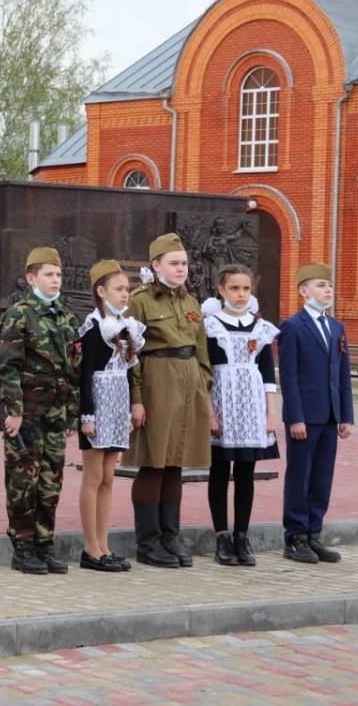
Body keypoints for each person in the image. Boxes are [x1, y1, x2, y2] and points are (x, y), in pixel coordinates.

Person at [125, 233, 212, 568]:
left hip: (188, 381)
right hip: (157, 380)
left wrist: (202, 382)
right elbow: (130, 351)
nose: (181, 269)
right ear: (156, 265)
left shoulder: (191, 302)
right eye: (174, 263)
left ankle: (170, 536)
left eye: (184, 263)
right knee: (153, 463)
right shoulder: (141, 300)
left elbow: (201, 347)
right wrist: (138, 398)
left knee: (177, 463)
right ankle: (148, 542)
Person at [0, 247, 80, 575]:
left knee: (50, 480)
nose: (55, 280)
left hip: (56, 414)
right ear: (32, 278)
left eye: (58, 275)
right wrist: (14, 410)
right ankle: (23, 545)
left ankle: (45, 543)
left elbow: (73, 368)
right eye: (48, 274)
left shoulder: (66, 315)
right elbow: (7, 368)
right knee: (23, 479)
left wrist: (71, 413)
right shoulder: (20, 313)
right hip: (28, 412)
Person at [202, 265, 279, 567]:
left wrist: (271, 411)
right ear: (221, 290)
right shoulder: (209, 325)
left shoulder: (259, 327)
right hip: (221, 404)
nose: (241, 294)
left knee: (246, 471)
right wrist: (210, 413)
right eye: (234, 288)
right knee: (220, 470)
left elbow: (266, 372)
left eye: (246, 288)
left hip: (250, 406)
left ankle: (241, 536)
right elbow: (204, 372)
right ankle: (221, 536)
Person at [278, 262, 354, 564]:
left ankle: (313, 533)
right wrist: (294, 417)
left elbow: (343, 373)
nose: (327, 290)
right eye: (321, 285)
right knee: (300, 475)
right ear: (303, 291)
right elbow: (289, 376)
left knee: (322, 476)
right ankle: (295, 536)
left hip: (330, 415)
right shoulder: (293, 326)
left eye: (329, 285)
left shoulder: (336, 327)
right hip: (305, 417)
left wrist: (346, 415)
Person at [76, 259, 144, 573]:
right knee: (93, 477)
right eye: (118, 289)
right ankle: (90, 548)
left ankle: (104, 544)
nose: (124, 294)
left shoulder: (126, 327)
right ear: (101, 291)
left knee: (108, 477)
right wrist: (87, 415)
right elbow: (86, 374)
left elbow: (127, 370)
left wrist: (130, 408)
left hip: (117, 403)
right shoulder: (93, 327)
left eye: (127, 289)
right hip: (98, 403)